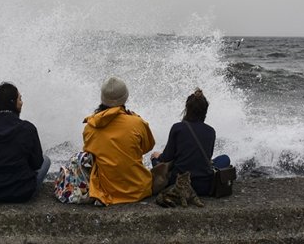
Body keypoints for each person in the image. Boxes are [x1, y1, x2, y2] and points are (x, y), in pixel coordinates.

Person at [82, 76, 156, 205]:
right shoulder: (137, 122)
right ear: (125, 97)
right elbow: (147, 147)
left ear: (102, 98)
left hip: (106, 191)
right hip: (139, 189)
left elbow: (90, 154)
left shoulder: (90, 126)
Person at [150, 88, 230, 196]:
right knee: (225, 159)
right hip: (204, 186)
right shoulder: (211, 131)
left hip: (179, 183)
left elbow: (167, 157)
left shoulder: (177, 128)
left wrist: (157, 156)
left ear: (187, 109)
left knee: (156, 159)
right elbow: (208, 156)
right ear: (205, 111)